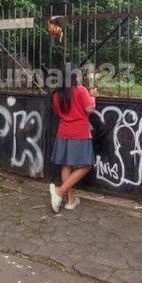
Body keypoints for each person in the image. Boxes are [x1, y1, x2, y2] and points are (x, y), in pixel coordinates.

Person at [48, 68, 98, 213]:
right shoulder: (81, 90)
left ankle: (70, 201)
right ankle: (59, 191)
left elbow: (58, 113)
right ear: (75, 77)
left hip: (63, 132)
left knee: (66, 165)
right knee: (87, 165)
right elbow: (89, 108)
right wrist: (93, 96)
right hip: (79, 133)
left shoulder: (57, 94)